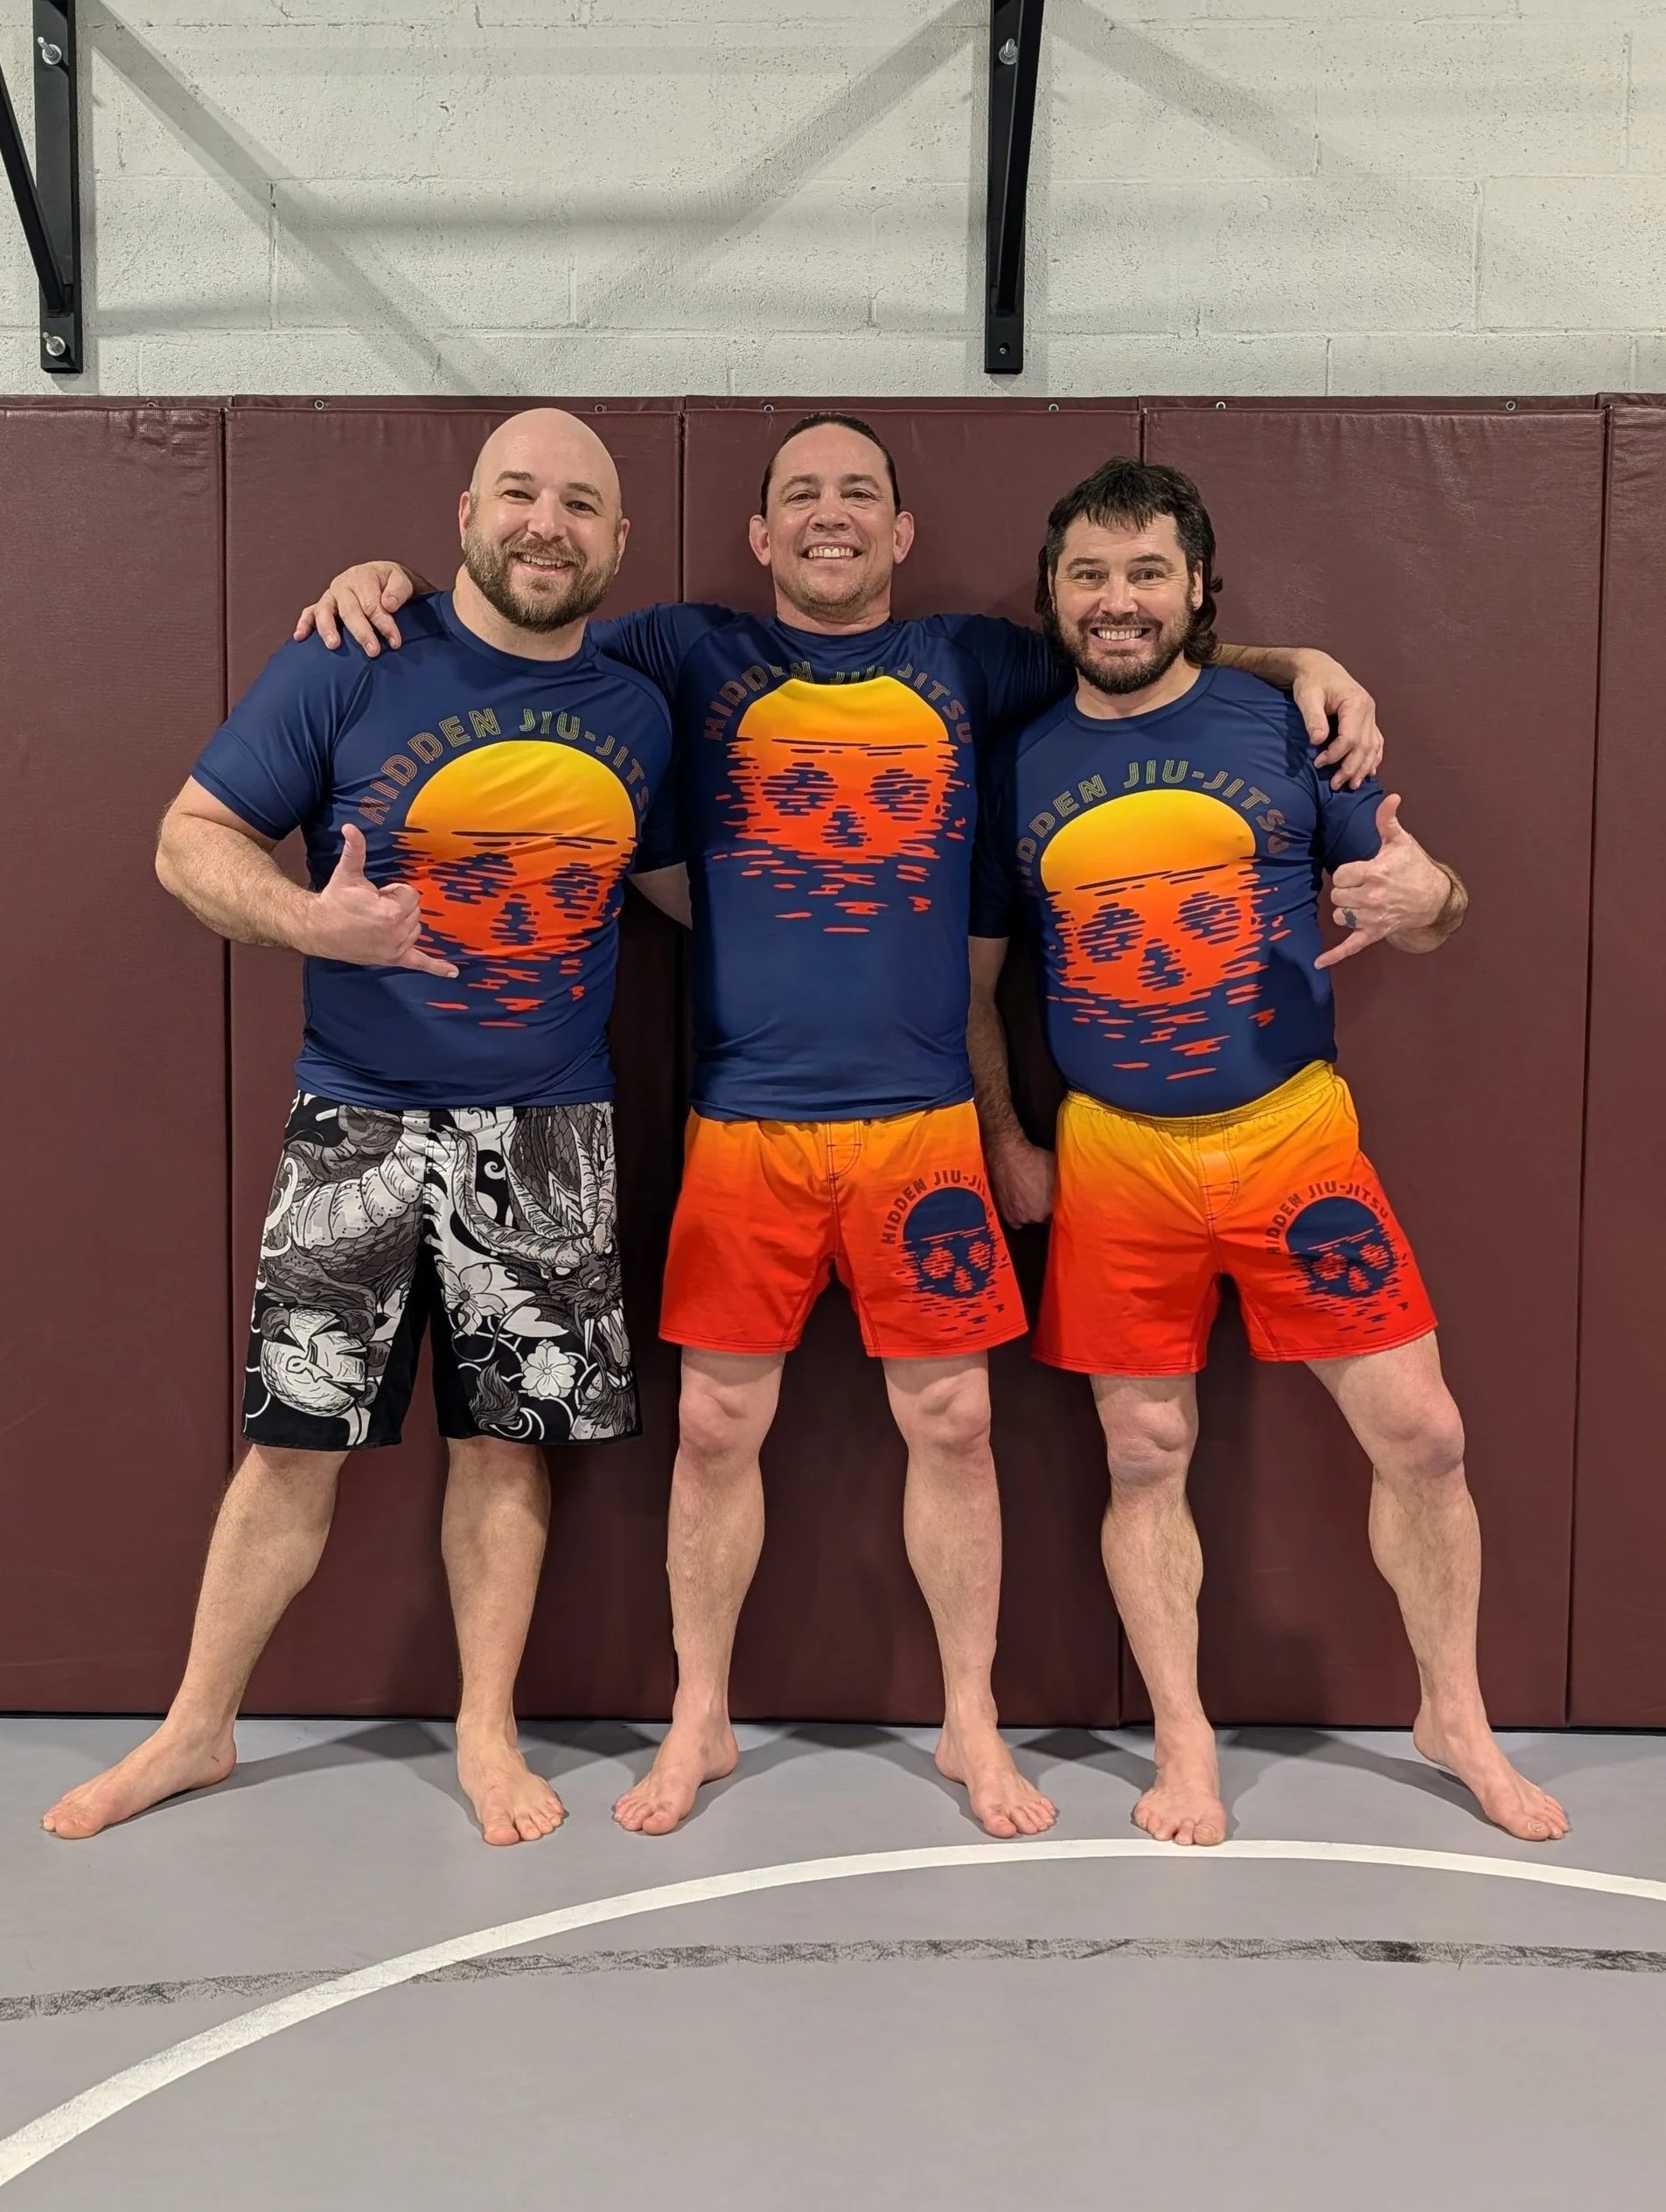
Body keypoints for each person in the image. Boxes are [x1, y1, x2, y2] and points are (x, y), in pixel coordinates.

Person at [296, 413, 1383, 1840]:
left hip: (925, 1126)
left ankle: (969, 1722)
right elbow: (515, 620)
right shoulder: (689, 650)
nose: (829, 513)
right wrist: (383, 582)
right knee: (716, 1428)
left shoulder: (966, 659)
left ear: (898, 532)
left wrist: (1299, 665)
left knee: (952, 1423)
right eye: (800, 494)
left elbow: (1140, 659)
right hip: (746, 1121)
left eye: (858, 493)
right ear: (759, 536)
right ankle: (701, 1719)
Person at [42, 409, 673, 1847]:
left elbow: (717, 879)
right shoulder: (352, 654)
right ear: (465, 511)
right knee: (292, 1442)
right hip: (358, 1124)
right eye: (518, 492)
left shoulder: (640, 709)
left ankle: (487, 1729)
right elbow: (186, 838)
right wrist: (312, 921)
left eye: (580, 503)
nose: (545, 522)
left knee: (506, 1447)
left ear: (617, 544)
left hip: (551, 1131)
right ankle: (196, 1729)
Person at [969, 456, 1569, 1847]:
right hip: (1113, 1154)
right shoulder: (1015, 762)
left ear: (1195, 591)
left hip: (1293, 1134)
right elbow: (972, 982)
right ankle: (1184, 1742)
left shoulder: (1289, 722)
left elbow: (1431, 906)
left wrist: (1427, 897)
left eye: (1144, 574)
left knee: (1423, 1433)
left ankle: (1451, 1712)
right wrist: (1008, 1135)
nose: (1116, 602)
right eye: (1089, 575)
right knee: (1141, 1451)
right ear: (1054, 596)